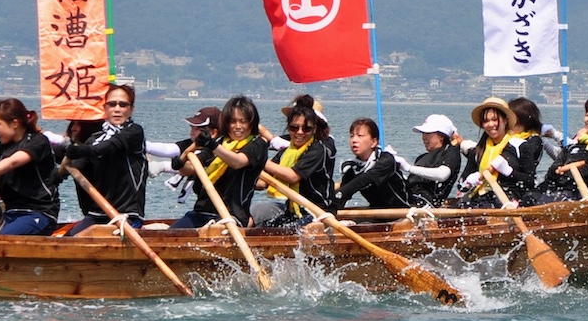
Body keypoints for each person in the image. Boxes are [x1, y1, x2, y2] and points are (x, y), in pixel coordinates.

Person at [61, 83, 151, 234]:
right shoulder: (96, 138)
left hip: (125, 215)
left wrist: (79, 149)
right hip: (98, 213)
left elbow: (105, 148)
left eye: (123, 105)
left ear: (131, 109)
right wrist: (60, 170)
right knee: (66, 242)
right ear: (105, 108)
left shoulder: (134, 132)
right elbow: (78, 164)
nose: (117, 109)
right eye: (112, 104)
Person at [172, 96, 269, 228]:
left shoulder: (257, 145)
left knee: (214, 231)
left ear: (251, 124)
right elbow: (190, 169)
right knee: (173, 233)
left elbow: (237, 162)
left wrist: (212, 145)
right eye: (233, 122)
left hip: (231, 217)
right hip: (201, 212)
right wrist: (181, 161)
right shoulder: (220, 142)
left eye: (243, 121)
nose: (238, 127)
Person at [0, 97, 60, 235]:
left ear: (14, 123)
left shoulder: (38, 141)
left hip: (39, 213)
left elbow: (13, 161)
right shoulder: (4, 146)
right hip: (12, 212)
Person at [252, 96, 333, 226]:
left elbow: (292, 176)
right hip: (293, 212)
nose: (299, 133)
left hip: (317, 213)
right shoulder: (287, 152)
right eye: (294, 128)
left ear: (314, 129)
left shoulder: (317, 150)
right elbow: (263, 183)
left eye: (306, 128)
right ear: (289, 127)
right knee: (261, 226)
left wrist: (259, 161)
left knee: (295, 232)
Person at [457, 97, 537, 204]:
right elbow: (461, 185)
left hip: (508, 200)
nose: (490, 125)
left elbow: (530, 182)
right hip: (480, 197)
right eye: (486, 121)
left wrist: (509, 172)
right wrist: (467, 183)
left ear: (505, 120)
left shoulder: (521, 146)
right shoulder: (478, 151)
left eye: (495, 119)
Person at [334, 117, 412, 210]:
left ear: (374, 142)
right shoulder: (353, 169)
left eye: (360, 135)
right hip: (379, 215)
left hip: (405, 212)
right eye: (351, 136)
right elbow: (343, 197)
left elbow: (367, 179)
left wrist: (341, 193)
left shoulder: (386, 161)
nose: (354, 140)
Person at [402, 113, 463, 206]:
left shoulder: (450, 151)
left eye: (428, 133)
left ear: (441, 136)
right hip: (408, 198)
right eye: (423, 133)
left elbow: (442, 175)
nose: (423, 138)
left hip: (426, 204)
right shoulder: (422, 158)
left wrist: (408, 168)